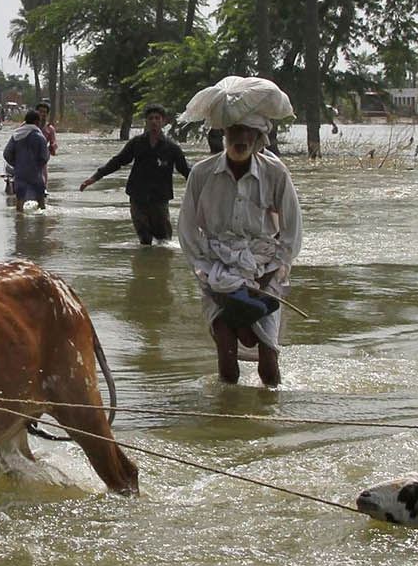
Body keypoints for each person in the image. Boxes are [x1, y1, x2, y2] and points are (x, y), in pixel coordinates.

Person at [177, 118, 302, 387]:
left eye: (248, 131)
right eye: (235, 130)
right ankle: (228, 418)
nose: (240, 137)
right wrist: (207, 276)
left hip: (263, 271)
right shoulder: (202, 173)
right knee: (227, 359)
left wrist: (272, 275)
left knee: (268, 364)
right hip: (218, 271)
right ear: (224, 132)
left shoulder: (275, 173)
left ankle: (270, 416)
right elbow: (187, 230)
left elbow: (292, 232)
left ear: (258, 136)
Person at [79, 105, 191, 245]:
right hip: (138, 195)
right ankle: (142, 265)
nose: (154, 121)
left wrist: (203, 187)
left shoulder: (171, 147)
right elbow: (118, 161)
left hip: (159, 198)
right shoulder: (137, 143)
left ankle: (162, 265)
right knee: (144, 238)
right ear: (146, 121)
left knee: (164, 241)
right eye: (151, 118)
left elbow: (186, 170)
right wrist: (95, 178)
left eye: (157, 118)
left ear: (163, 121)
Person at [3, 109, 51, 212]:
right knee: (40, 199)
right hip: (35, 172)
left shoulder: (16, 135)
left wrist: (16, 164)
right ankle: (41, 224)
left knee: (20, 200)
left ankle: (19, 224)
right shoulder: (39, 137)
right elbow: (45, 156)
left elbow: (6, 154)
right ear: (36, 122)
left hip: (20, 172)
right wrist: (38, 166)